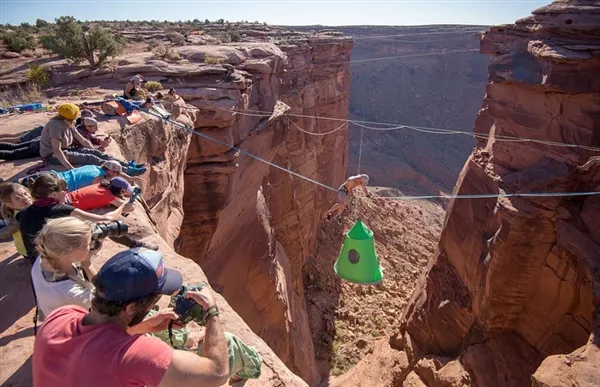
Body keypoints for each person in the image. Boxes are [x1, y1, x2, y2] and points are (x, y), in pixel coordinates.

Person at [33, 248, 230, 387]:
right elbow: (217, 373)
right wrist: (211, 311)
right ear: (132, 307)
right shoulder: (137, 356)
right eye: (155, 298)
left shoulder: (61, 315)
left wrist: (141, 327)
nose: (155, 303)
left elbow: (96, 342)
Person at [18, 173, 155, 263]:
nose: (66, 191)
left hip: (35, 258)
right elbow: (105, 219)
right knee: (105, 227)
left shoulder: (26, 210)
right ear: (53, 194)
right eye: (63, 189)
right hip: (52, 259)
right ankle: (86, 262)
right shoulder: (59, 209)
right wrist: (122, 208)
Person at [39, 103, 146, 175]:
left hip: (66, 149)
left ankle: (128, 166)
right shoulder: (55, 126)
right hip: (52, 156)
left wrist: (94, 149)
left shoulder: (68, 123)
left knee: (100, 155)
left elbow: (82, 139)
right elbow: (56, 150)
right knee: (91, 158)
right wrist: (71, 169)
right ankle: (126, 171)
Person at [20, 160, 143, 192]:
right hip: (53, 184)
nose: (115, 176)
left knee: (17, 184)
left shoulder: (93, 167)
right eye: (116, 173)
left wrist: (130, 178)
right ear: (110, 171)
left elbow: (115, 174)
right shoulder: (99, 179)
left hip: (50, 174)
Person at [0, 182, 33, 257]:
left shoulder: (27, 205)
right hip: (29, 251)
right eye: (18, 198)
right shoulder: (19, 218)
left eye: (25, 193)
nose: (25, 198)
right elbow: (3, 234)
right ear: (10, 205)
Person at [67, 177, 136, 211]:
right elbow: (125, 208)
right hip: (68, 207)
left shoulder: (99, 185)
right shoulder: (109, 197)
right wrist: (132, 200)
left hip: (66, 197)